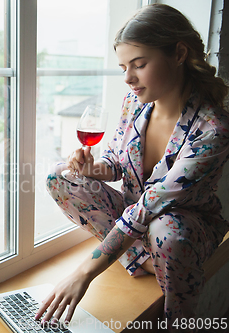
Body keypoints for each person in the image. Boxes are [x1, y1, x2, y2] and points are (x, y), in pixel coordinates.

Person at [36, 3, 229, 331]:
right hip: (137, 220)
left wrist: (83, 273)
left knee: (165, 231)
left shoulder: (213, 130)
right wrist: (94, 169)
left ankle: (177, 317)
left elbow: (151, 204)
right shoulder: (134, 103)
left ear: (179, 53)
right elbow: (117, 161)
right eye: (124, 66)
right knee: (59, 176)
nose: (128, 78)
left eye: (139, 65)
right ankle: (145, 259)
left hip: (181, 231)